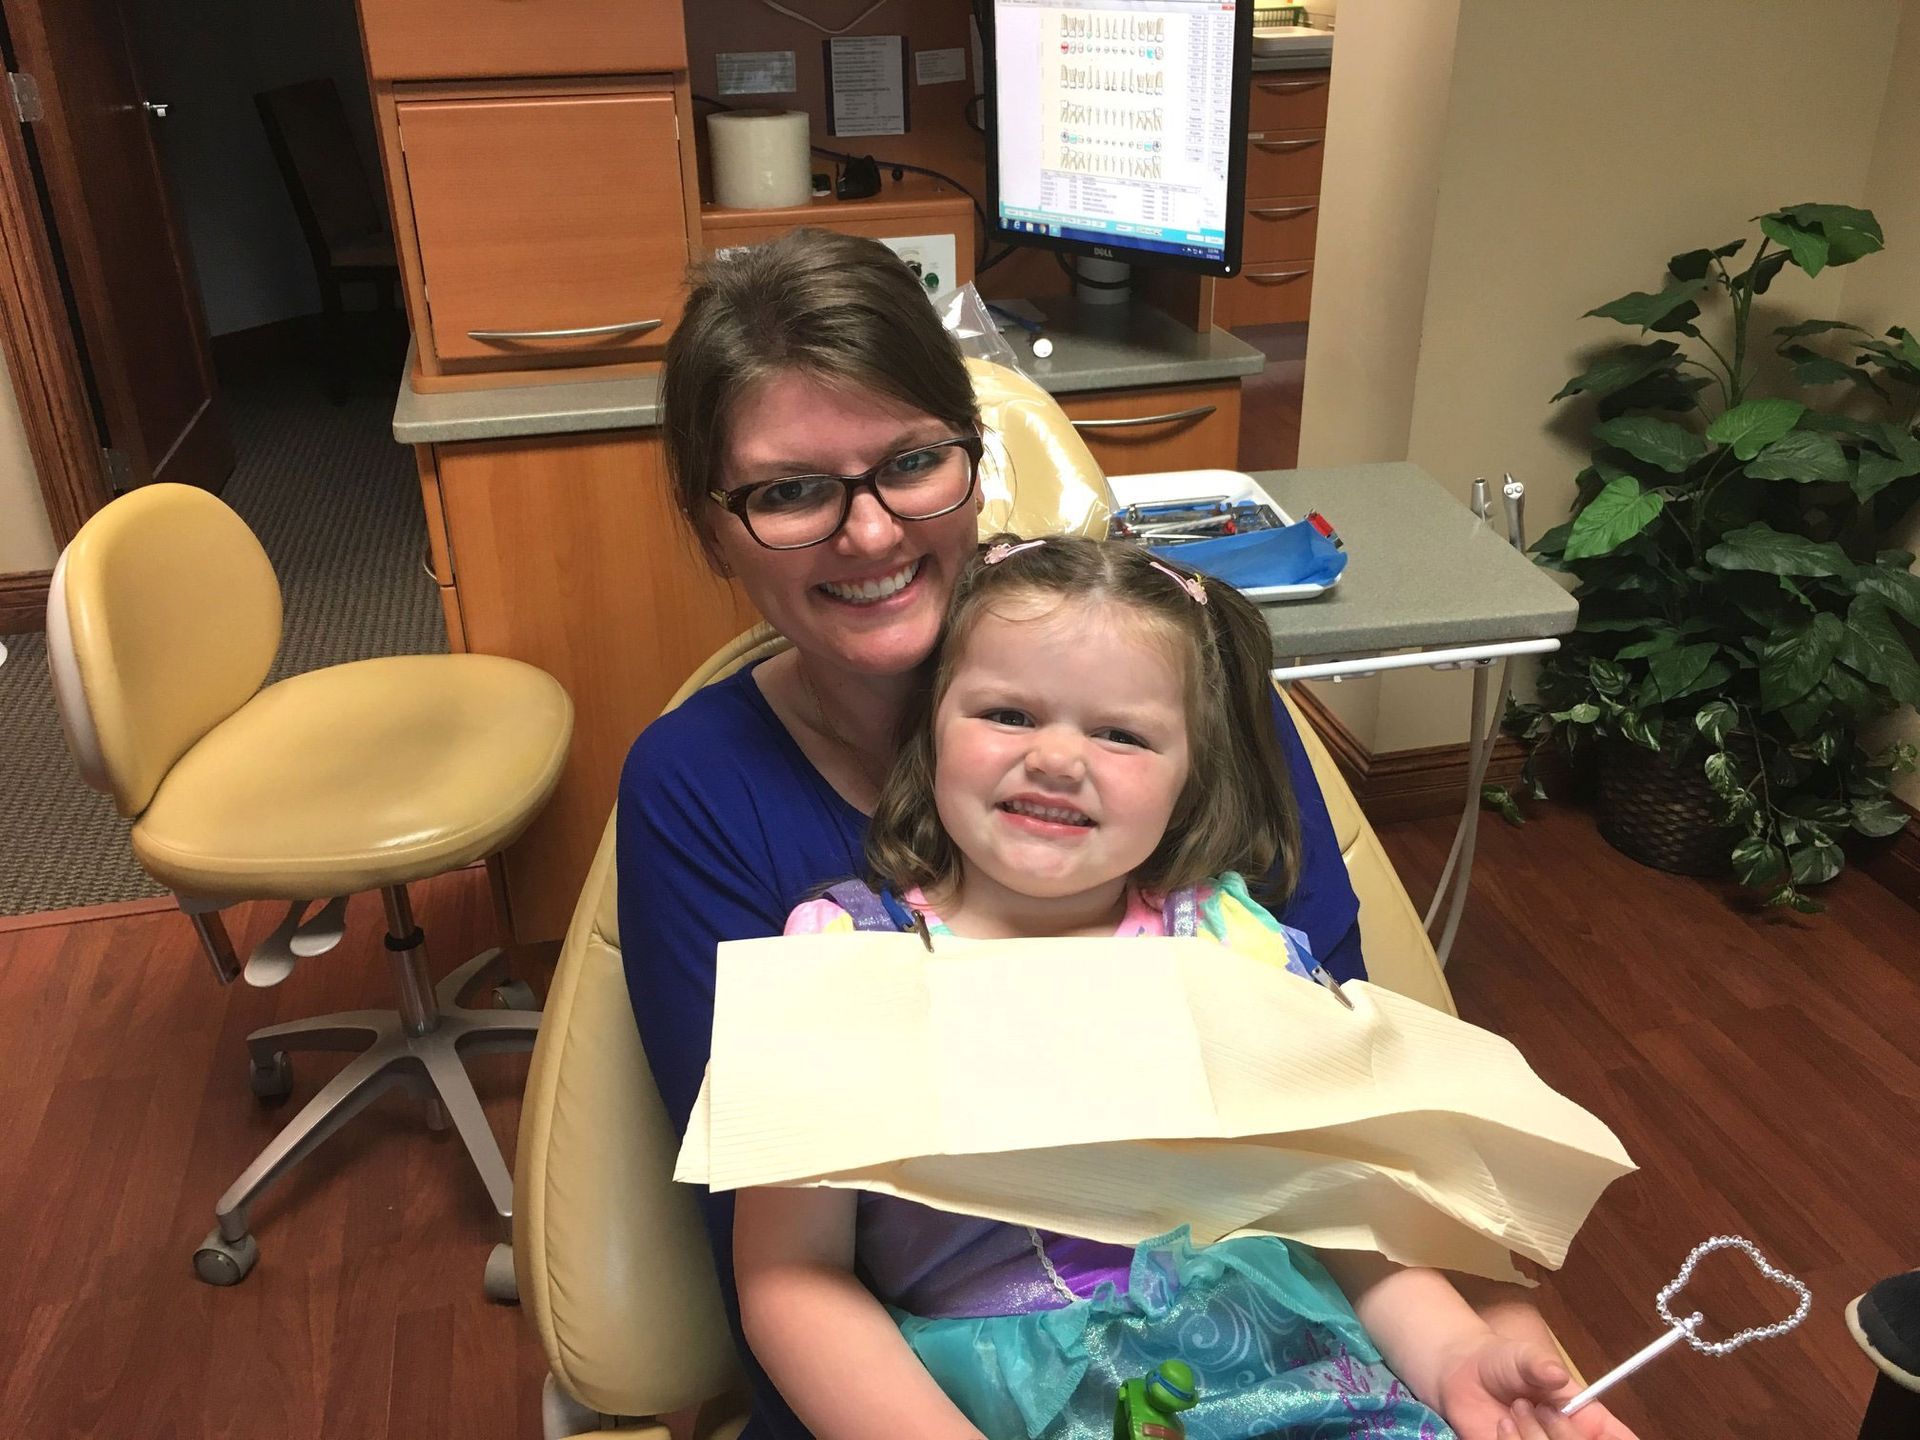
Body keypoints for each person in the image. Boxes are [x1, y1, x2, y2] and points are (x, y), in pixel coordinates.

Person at [617, 228, 1627, 1439]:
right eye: (790, 490)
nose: (871, 531)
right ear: (713, 520)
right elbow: (787, 1267)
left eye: (911, 463)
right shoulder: (802, 908)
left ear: (973, 460)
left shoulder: (1204, 827)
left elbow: (1338, 1164)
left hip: (1287, 1353)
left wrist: (1473, 1351)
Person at [733, 536, 1604, 1440]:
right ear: (931, 729)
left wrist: (1455, 1354)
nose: (1058, 760)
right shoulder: (840, 959)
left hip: (1289, 1373)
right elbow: (791, 1276)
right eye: (1006, 713)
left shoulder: (1231, 947)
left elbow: (1340, 1216)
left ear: (1192, 776)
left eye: (1121, 734)